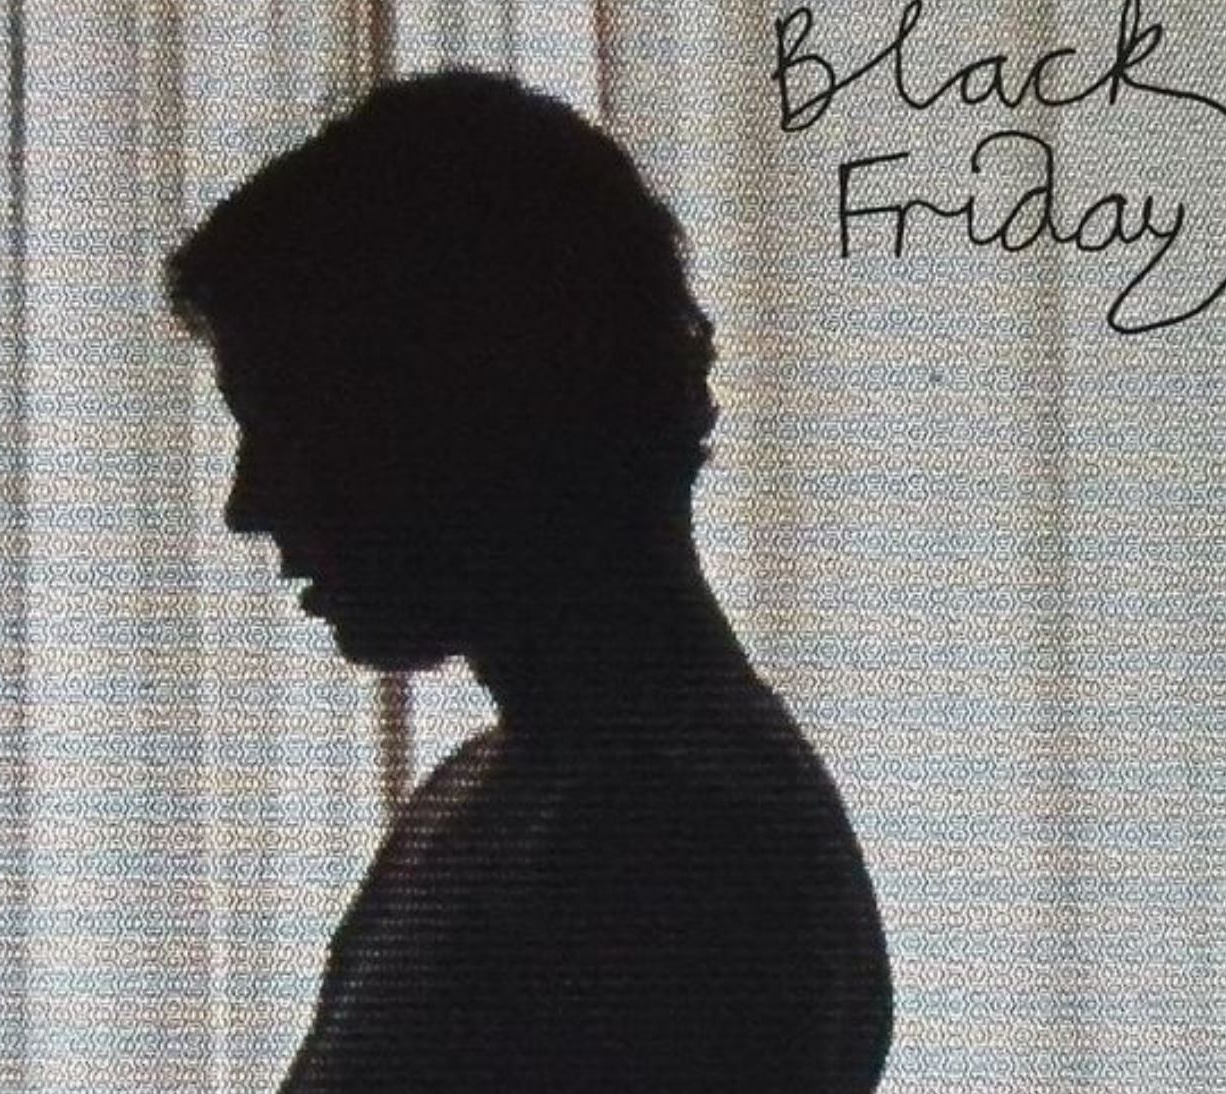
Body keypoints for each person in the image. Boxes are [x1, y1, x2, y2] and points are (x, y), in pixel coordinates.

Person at [165, 70, 893, 1093]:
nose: (248, 505)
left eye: (287, 424)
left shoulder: (670, 846)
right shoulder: (515, 799)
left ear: (466, 400)